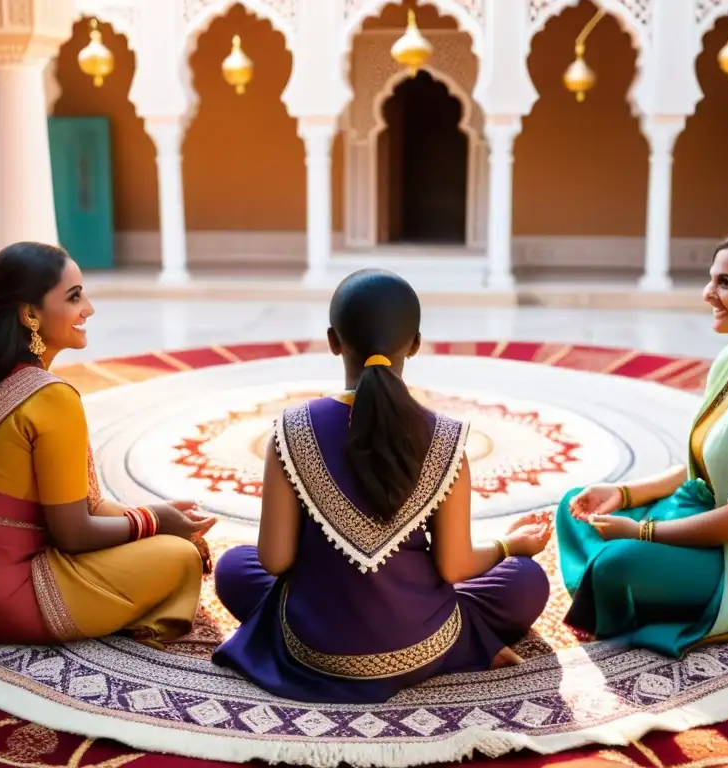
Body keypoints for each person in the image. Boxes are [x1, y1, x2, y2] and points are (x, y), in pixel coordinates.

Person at [212, 269, 551, 703]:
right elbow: (454, 567)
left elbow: (274, 560)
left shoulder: (290, 430)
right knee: (525, 579)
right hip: (420, 644)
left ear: (334, 341)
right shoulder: (446, 439)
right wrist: (510, 546)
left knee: (235, 568)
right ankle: (471, 643)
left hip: (314, 647)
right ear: (414, 344)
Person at [554, 227, 728, 657]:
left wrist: (641, 531)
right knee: (576, 506)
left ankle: (616, 584)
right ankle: (621, 584)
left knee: (618, 566)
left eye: (725, 283)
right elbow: (702, 465)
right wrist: (623, 492)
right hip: (702, 516)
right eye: (711, 279)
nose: (708, 293)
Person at [0, 242, 213, 647]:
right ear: (30, 314)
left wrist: (151, 514)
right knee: (180, 557)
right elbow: (74, 534)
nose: (88, 308)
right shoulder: (50, 397)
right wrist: (157, 524)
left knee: (159, 541)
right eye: (74, 297)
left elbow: (80, 505)